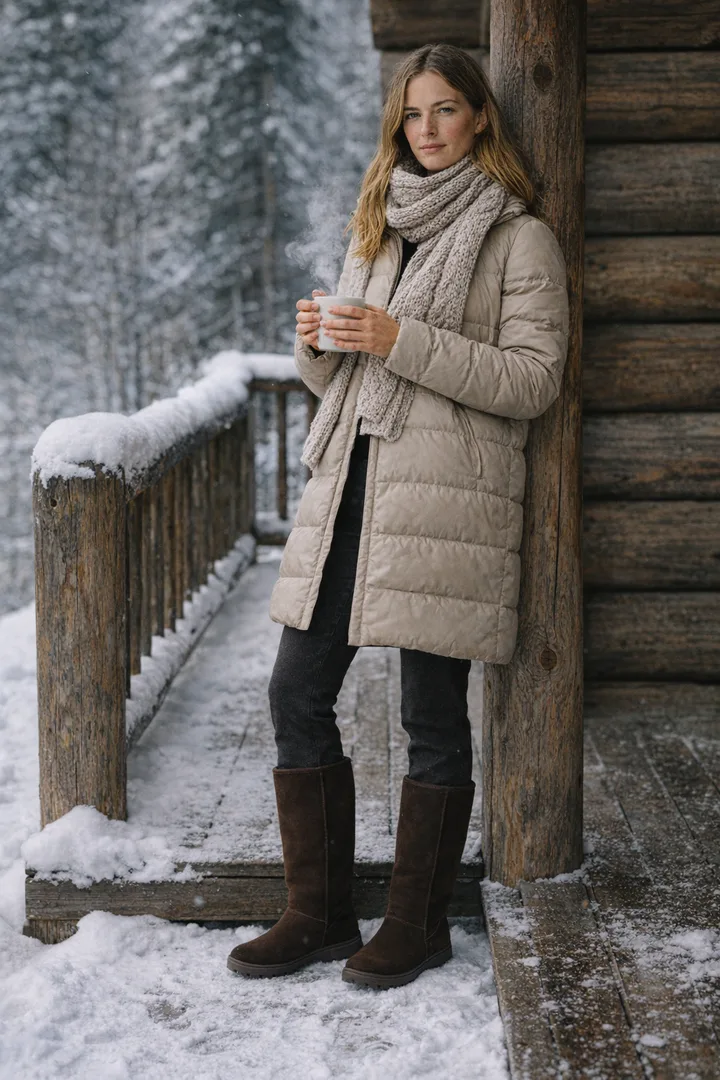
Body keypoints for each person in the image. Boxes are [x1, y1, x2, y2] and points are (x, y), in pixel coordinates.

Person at [228, 43, 569, 989]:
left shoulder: (517, 236)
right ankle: (320, 915)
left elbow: (533, 380)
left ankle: (414, 928)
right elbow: (348, 371)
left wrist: (399, 339)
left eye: (446, 110)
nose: (426, 129)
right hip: (351, 493)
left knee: (432, 719)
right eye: (413, 114)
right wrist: (319, 344)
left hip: (445, 504)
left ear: (480, 120)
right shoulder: (380, 223)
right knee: (296, 693)